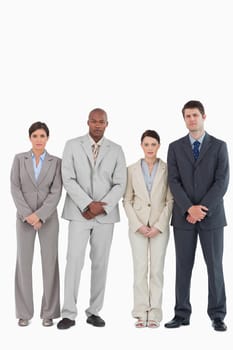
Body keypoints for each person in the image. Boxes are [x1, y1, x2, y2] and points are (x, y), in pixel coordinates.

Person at [57, 108, 127, 329]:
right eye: (94, 121)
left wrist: (100, 207)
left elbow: (120, 183)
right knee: (74, 260)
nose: (97, 125)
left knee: (100, 263)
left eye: (102, 122)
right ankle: (68, 312)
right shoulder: (71, 145)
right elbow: (67, 177)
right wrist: (87, 204)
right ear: (88, 122)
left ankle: (94, 311)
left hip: (105, 216)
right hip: (79, 212)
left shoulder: (116, 150)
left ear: (107, 124)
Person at [165, 101, 229, 332]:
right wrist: (188, 208)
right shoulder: (175, 147)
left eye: (195, 115)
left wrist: (201, 209)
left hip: (211, 218)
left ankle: (217, 315)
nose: (191, 119)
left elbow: (221, 182)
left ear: (203, 116)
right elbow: (173, 180)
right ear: (184, 119)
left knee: (215, 266)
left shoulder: (219, 146)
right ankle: (181, 313)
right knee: (183, 266)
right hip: (184, 218)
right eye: (187, 116)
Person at [10, 122, 62, 327]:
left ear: (47, 138)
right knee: (23, 264)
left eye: (42, 136)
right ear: (29, 138)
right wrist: (28, 215)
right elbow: (15, 188)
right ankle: (24, 312)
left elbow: (56, 190)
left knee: (50, 264)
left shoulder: (56, 162)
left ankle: (48, 312)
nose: (39, 139)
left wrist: (40, 216)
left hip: (48, 219)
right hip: (23, 220)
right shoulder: (19, 159)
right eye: (35, 136)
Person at [123, 130, 173, 328]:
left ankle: (155, 313)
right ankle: (140, 311)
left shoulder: (168, 169)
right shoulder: (131, 169)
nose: (150, 148)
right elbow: (126, 200)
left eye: (153, 144)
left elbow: (170, 200)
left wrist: (159, 226)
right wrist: (138, 225)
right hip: (138, 227)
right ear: (141, 146)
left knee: (157, 270)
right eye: (146, 144)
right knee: (140, 268)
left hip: (159, 227)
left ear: (158, 146)